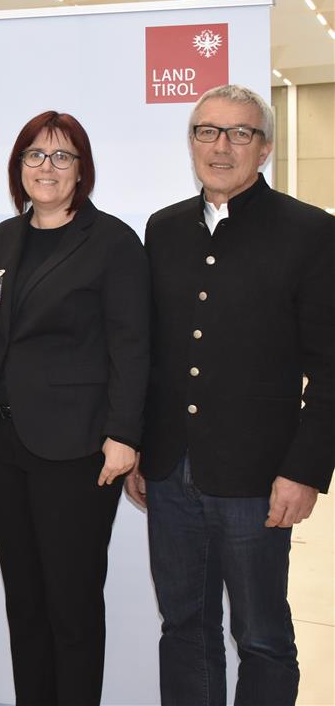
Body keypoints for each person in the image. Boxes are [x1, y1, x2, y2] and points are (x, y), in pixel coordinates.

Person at [127, 84, 334, 705]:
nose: (221, 147)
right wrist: (139, 446)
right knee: (183, 627)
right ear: (191, 142)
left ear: (264, 148)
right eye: (207, 131)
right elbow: (152, 352)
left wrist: (305, 471)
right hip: (169, 471)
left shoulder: (311, 232)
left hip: (259, 478)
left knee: (262, 635)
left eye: (240, 133)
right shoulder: (163, 229)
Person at [0, 111, 149, 705]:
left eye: (61, 156)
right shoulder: (2, 239)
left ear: (81, 169)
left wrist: (125, 433)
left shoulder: (113, 242)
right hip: (1, 445)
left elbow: (132, 344)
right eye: (35, 155)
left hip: (78, 448)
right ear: (19, 166)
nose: (46, 167)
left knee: (71, 604)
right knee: (23, 600)